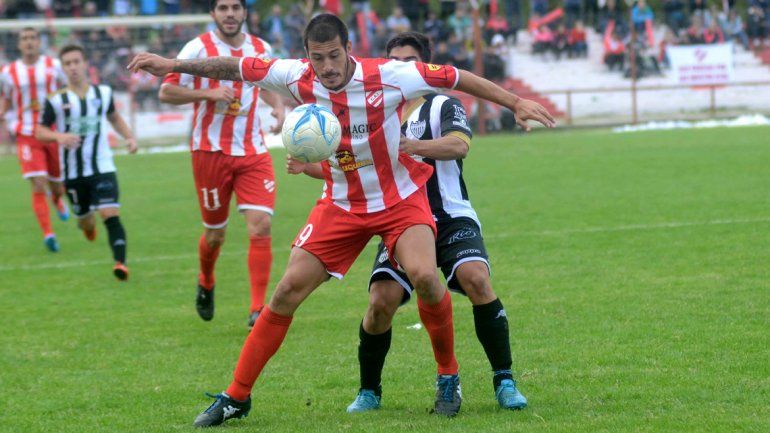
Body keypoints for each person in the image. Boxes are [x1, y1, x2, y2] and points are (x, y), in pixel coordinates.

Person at [128, 13, 554, 427]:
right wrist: (172, 65)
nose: (327, 67)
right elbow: (233, 67)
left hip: (400, 200)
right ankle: (236, 397)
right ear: (307, 55)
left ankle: (448, 377)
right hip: (341, 204)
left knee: (425, 275)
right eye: (318, 57)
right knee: (285, 293)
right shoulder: (295, 75)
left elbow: (456, 76)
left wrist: (516, 102)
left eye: (334, 55)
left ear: (349, 49)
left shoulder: (390, 74)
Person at [285, 31, 529, 413]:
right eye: (395, 60)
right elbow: (349, 168)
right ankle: (369, 391)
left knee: (477, 279)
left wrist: (413, 146)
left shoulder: (443, 104)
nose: (401, 67)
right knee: (380, 301)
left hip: (448, 214)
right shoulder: (371, 106)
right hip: (397, 218)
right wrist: (308, 165)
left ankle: (505, 380)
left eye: (409, 61)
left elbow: (459, 145)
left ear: (423, 67)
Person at [158, 0, 285, 327]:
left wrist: (279, 107)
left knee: (262, 225)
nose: (230, 14)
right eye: (223, 8)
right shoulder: (197, 48)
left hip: (253, 150)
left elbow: (266, 84)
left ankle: (258, 309)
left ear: (245, 13)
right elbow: (167, 92)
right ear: (213, 14)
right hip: (210, 153)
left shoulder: (260, 47)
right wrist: (208, 95)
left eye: (235, 7)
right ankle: (206, 278)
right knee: (215, 235)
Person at [36, 45, 137, 280]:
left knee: (110, 213)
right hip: (73, 173)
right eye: (68, 63)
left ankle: (120, 263)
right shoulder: (55, 100)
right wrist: (59, 136)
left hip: (102, 167)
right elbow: (40, 132)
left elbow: (114, 117)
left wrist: (130, 137)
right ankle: (87, 227)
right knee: (86, 221)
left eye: (76, 62)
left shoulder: (102, 93)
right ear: (63, 69)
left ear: (85, 64)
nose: (72, 67)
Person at [0, 27, 69, 252]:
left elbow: (67, 90)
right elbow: (6, 99)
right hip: (26, 134)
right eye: (24, 39)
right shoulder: (9, 72)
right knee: (38, 182)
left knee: (57, 185)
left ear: (39, 42)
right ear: (19, 44)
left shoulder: (54, 66)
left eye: (32, 38)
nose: (28, 42)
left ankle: (57, 199)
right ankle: (48, 233)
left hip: (52, 133)